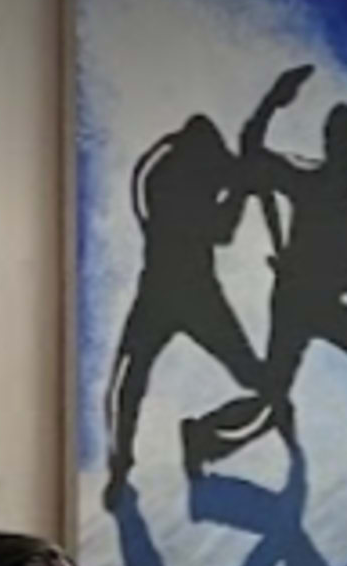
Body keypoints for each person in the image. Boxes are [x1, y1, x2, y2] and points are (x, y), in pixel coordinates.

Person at [186, 64, 347, 474]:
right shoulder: (307, 178)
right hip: (294, 302)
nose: (344, 149)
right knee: (272, 401)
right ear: (329, 142)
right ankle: (205, 438)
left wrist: (318, 273)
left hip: (319, 299)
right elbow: (252, 151)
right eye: (338, 140)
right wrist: (271, 102)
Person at [99, 114, 266, 501]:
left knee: (257, 381)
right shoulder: (167, 178)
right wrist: (240, 192)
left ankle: (201, 436)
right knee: (128, 380)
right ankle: (122, 464)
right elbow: (222, 230)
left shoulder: (179, 162)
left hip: (192, 290)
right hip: (172, 291)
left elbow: (238, 167)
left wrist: (245, 177)